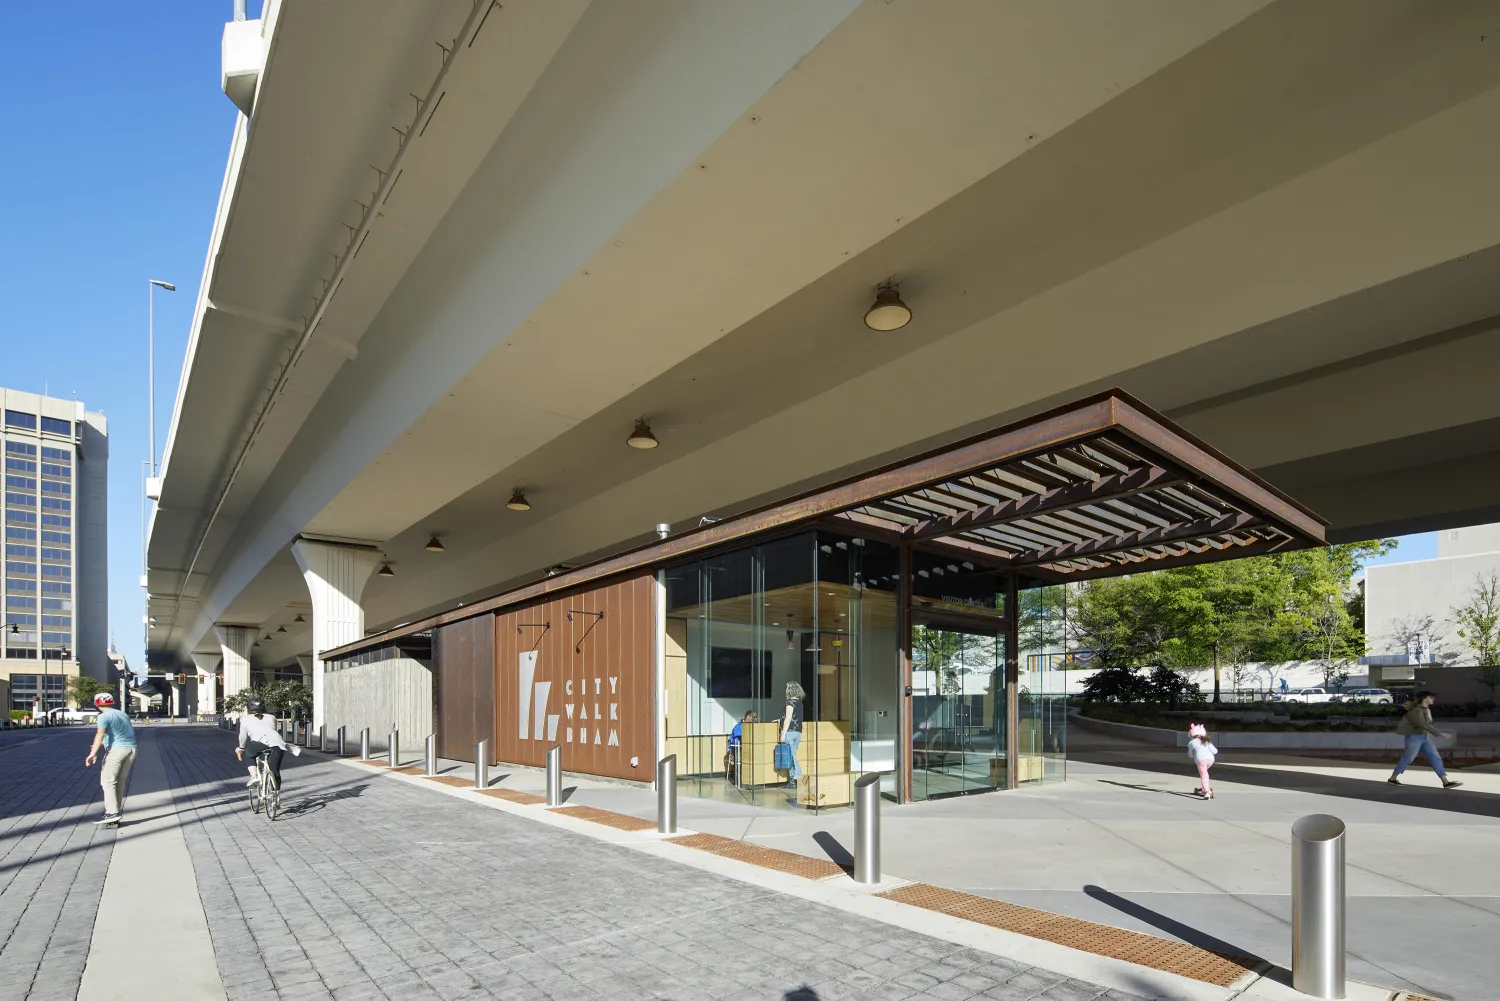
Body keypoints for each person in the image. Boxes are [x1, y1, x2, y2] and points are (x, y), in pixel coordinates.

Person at [1389, 691, 1462, 788]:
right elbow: (1422, 724)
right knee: (1408, 758)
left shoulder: (1426, 709)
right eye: (1431, 697)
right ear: (1425, 698)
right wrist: (1440, 733)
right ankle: (1393, 778)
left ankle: (1445, 782)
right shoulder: (1416, 710)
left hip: (1425, 737)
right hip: (1414, 737)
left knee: (1435, 757)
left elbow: (1427, 725)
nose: (1433, 699)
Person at [84, 693, 136, 827]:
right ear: (111, 702)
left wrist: (93, 753)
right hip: (131, 749)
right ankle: (115, 811)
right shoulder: (122, 714)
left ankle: (112, 812)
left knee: (108, 781)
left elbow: (99, 734)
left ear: (97, 704)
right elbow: (120, 734)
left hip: (116, 751)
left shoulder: (103, 716)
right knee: (119, 781)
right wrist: (102, 745)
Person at [235, 698, 296, 792]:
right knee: (274, 770)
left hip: (259, 743)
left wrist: (241, 747)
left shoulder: (245, 719)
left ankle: (254, 776)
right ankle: (276, 797)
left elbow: (242, 736)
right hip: (278, 744)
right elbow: (272, 730)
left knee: (249, 754)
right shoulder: (272, 717)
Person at [779, 683, 806, 790]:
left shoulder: (790, 703)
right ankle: (792, 780)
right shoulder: (800, 703)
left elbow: (788, 719)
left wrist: (783, 734)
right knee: (791, 755)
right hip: (798, 732)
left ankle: (798, 777)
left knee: (791, 756)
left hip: (790, 732)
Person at [1187, 723, 1217, 800]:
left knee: (1204, 775)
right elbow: (1215, 751)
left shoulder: (1192, 743)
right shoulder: (1207, 741)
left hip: (1201, 760)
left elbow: (1190, 755)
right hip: (1211, 759)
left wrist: (1195, 754)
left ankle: (1207, 792)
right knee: (1205, 773)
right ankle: (1204, 788)